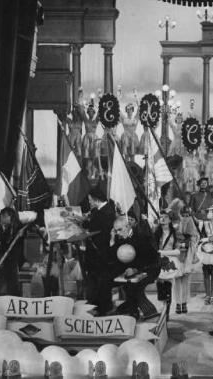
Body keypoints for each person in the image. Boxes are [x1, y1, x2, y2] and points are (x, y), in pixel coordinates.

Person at [109, 216, 160, 319]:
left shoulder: (141, 237)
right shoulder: (119, 239)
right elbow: (115, 257)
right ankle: (131, 310)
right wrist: (112, 240)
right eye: (116, 230)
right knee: (121, 283)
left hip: (149, 268)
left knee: (133, 287)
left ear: (127, 226)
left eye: (120, 229)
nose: (118, 233)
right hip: (130, 270)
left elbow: (151, 257)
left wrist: (136, 269)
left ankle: (135, 313)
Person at [81, 187, 117, 315]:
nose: (89, 202)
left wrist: (84, 226)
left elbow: (98, 230)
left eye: (90, 200)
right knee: (97, 282)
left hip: (101, 255)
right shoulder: (100, 210)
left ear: (96, 200)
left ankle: (101, 309)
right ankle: (98, 306)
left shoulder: (106, 212)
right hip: (97, 255)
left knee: (100, 283)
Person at [0, 208, 37, 298]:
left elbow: (35, 215)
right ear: (2, 216)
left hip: (13, 247)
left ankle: (14, 298)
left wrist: (24, 229)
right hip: (0, 248)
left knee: (12, 274)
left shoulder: (20, 216)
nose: (7, 224)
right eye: (5, 222)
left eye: (9, 222)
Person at [154, 210, 182, 316]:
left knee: (168, 286)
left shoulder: (175, 233)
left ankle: (167, 312)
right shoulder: (156, 232)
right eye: (161, 217)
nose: (163, 219)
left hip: (170, 262)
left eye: (165, 217)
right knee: (160, 285)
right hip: (159, 262)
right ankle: (163, 310)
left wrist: (163, 252)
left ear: (170, 219)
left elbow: (178, 251)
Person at [174, 210, 199, 313]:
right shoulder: (175, 226)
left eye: (187, 215)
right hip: (177, 254)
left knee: (186, 281)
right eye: (183, 215)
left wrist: (189, 243)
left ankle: (184, 303)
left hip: (188, 255)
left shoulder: (193, 229)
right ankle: (177, 303)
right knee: (177, 280)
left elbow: (195, 240)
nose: (185, 217)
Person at [82, 102, 101, 179]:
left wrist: (100, 100)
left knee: (94, 156)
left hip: (94, 139)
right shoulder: (86, 120)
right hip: (87, 138)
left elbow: (99, 114)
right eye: (89, 112)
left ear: (94, 113)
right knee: (88, 157)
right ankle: (89, 172)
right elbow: (82, 113)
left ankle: (94, 172)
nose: (91, 113)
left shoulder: (95, 120)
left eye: (92, 112)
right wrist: (81, 104)